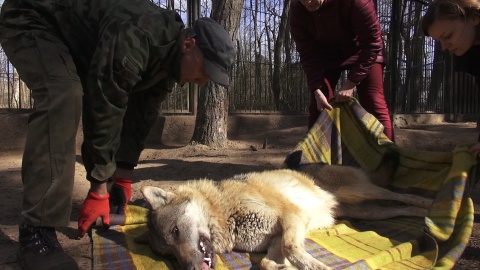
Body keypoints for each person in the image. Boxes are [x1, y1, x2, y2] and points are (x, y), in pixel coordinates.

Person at [0, 0, 235, 268]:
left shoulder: (168, 61)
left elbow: (141, 116)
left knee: (78, 92)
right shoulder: (136, 35)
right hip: (32, 16)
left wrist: (123, 177)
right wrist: (99, 186)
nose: (203, 81)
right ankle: (36, 231)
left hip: (73, 38)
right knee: (62, 93)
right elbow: (104, 104)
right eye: (205, 70)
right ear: (189, 45)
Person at [289, 0, 394, 141]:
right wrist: (316, 90)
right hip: (327, 55)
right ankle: (313, 159)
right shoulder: (297, 10)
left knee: (373, 101)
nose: (308, 2)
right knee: (318, 105)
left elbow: (372, 43)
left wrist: (351, 83)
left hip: (363, 51)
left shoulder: (357, 2)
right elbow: (308, 55)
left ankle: (390, 157)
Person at [421, 0, 480, 153]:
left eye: (447, 36)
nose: (444, 47)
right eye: (439, 41)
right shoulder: (471, 53)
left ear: (474, 17)